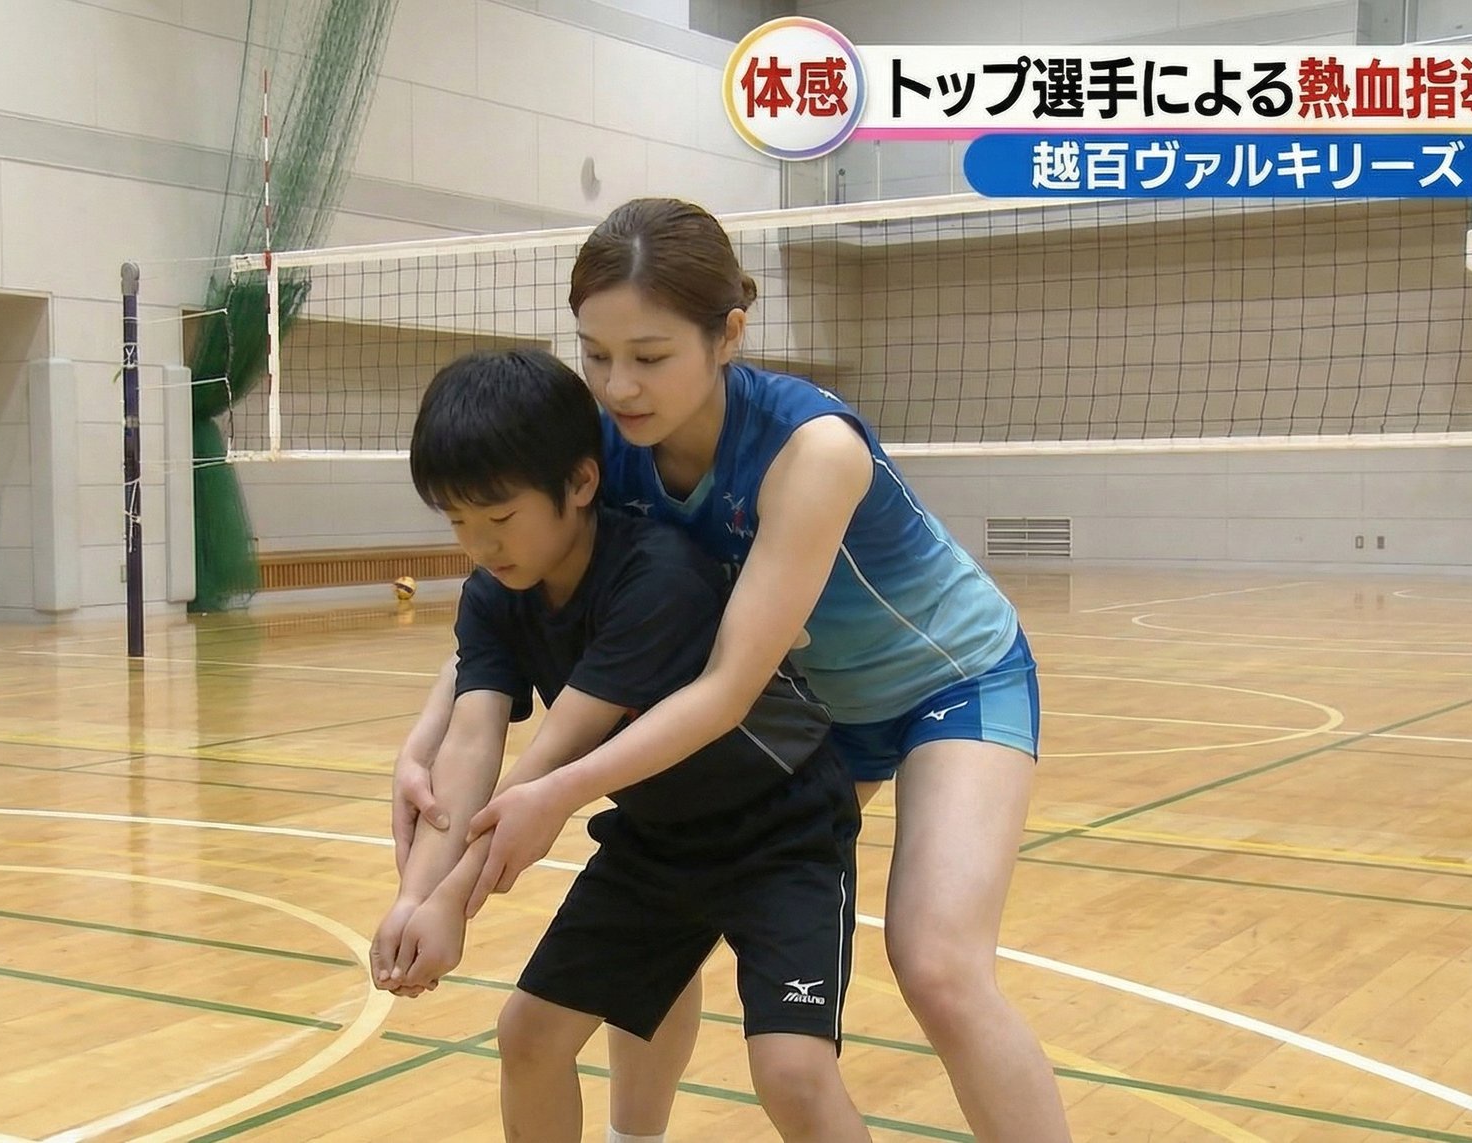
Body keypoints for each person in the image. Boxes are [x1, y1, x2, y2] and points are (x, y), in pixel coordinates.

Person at [392, 199, 1069, 1142]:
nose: (619, 385)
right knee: (662, 918)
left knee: (938, 966)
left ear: (728, 335)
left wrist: (555, 792)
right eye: (596, 354)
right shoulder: (605, 445)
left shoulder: (811, 449)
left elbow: (726, 685)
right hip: (815, 710)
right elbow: (507, 590)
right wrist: (424, 738)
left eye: (650, 355)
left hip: (944, 682)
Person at [371, 347, 869, 1143]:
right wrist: (412, 897)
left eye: (499, 518)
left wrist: (453, 902)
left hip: (783, 833)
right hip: (657, 840)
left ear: (580, 482)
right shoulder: (495, 595)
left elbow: (553, 756)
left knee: (793, 1072)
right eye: (459, 522)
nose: (482, 545)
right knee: (528, 1036)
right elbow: (470, 742)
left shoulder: (655, 575)